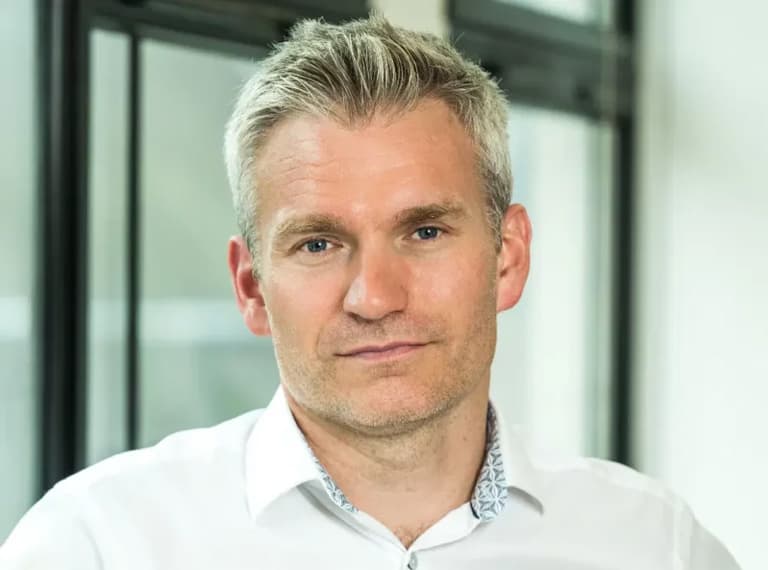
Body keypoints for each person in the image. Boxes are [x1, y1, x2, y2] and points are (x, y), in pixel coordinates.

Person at [0, 15, 738, 570]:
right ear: (251, 288)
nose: (375, 297)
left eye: (425, 231)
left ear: (508, 259)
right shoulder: (96, 545)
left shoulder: (654, 546)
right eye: (318, 244)